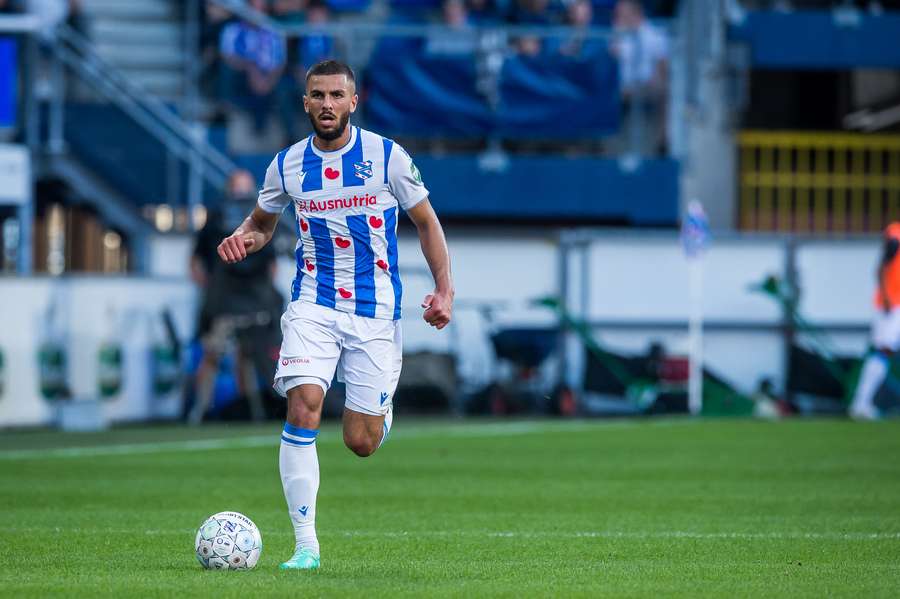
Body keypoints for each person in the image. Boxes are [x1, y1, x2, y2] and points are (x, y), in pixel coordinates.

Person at [216, 59, 454, 570]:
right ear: (305, 102)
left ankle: (380, 411)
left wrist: (444, 291)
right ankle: (305, 546)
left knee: (360, 442)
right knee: (303, 404)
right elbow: (261, 222)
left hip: (374, 311)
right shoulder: (286, 165)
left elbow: (427, 223)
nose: (327, 104)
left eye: (335, 96)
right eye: (317, 95)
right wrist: (245, 239)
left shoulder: (387, 157)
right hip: (312, 304)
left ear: (353, 101)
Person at [189, 169, 282, 424]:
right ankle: (200, 411)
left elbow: (272, 263)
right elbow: (196, 259)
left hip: (255, 300)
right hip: (224, 301)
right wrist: (210, 290)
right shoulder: (216, 216)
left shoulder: (260, 218)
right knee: (212, 353)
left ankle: (247, 410)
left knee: (247, 355)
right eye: (238, 187)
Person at [849, 223, 900, 420]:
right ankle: (860, 404)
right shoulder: (896, 232)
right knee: (883, 351)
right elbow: (881, 266)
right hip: (891, 305)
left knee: (885, 352)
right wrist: (886, 296)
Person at [609, 0, 669, 154]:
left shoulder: (655, 35)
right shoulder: (618, 35)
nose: (617, 17)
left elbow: (662, 70)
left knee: (662, 91)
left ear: (634, 13)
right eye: (617, 14)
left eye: (621, 14)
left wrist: (652, 83)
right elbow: (610, 64)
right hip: (620, 89)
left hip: (646, 87)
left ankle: (659, 142)